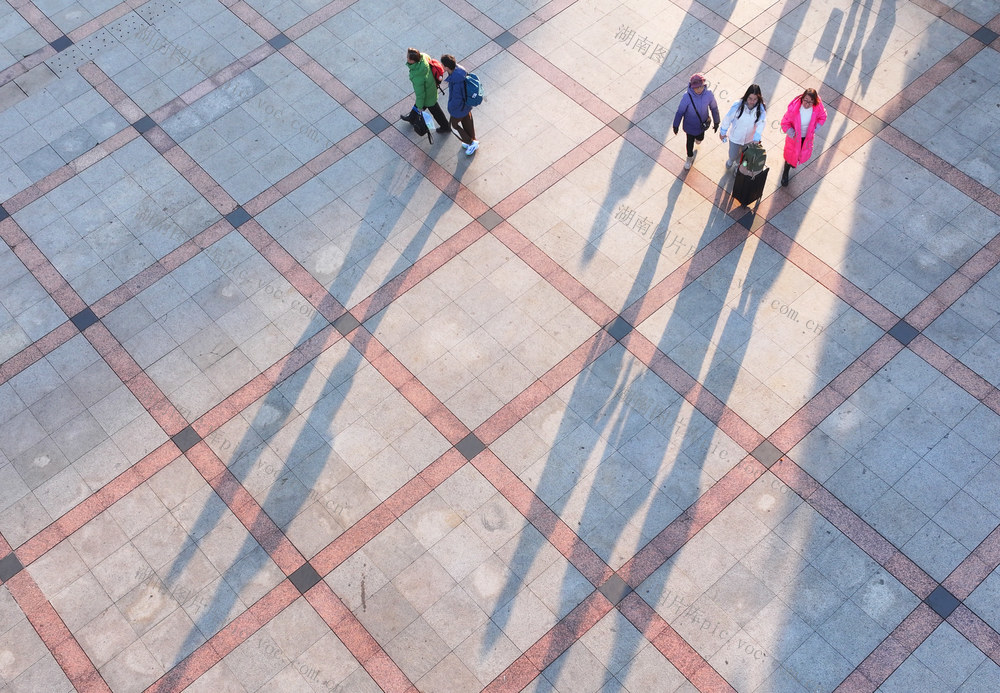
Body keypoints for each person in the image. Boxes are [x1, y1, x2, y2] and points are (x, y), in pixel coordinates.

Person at [779, 87, 827, 186]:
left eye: (810, 102)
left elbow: (823, 116)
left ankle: (794, 162)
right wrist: (791, 133)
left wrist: (815, 128)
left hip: (807, 137)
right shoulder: (794, 109)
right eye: (805, 100)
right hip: (794, 138)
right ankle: (785, 173)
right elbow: (785, 122)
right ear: (802, 99)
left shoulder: (817, 108)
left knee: (800, 152)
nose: (807, 104)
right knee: (789, 156)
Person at [672, 74, 719, 170]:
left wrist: (716, 121)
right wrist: (675, 125)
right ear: (692, 87)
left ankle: (698, 139)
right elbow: (680, 111)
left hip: (702, 125)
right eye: (696, 87)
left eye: (701, 86)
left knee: (700, 139)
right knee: (689, 142)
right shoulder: (686, 97)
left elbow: (714, 108)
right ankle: (689, 158)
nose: (699, 89)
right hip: (689, 126)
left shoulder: (708, 94)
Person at [719, 84, 766, 169]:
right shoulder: (737, 106)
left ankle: (738, 166)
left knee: (743, 157)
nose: (752, 101)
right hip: (735, 137)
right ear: (746, 96)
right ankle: (731, 160)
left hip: (749, 139)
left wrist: (756, 139)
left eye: (755, 99)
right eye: (750, 98)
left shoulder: (761, 109)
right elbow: (728, 119)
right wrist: (723, 132)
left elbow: (761, 124)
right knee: (733, 154)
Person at [404, 48, 450, 134]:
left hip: (428, 95)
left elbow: (420, 94)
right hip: (431, 87)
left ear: (412, 61)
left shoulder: (418, 75)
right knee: (420, 104)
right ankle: (412, 117)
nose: (406, 58)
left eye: (408, 57)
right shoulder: (423, 57)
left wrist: (420, 108)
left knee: (434, 110)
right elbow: (429, 58)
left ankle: (445, 127)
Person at [440, 54, 478, 155]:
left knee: (453, 126)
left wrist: (450, 108)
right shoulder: (460, 70)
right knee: (467, 121)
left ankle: (470, 143)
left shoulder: (456, 82)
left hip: (459, 108)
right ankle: (472, 140)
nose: (442, 66)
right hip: (467, 105)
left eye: (442, 65)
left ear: (447, 67)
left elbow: (456, 99)